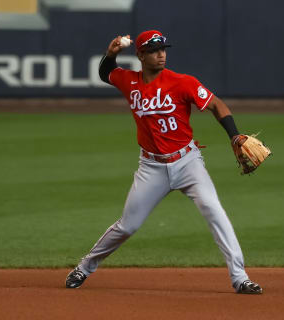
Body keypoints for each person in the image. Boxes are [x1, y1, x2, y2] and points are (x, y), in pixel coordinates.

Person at [65, 30, 262, 294]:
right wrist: (111, 53)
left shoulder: (183, 82)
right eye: (154, 50)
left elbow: (216, 104)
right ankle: (84, 267)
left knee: (214, 211)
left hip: (188, 162)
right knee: (128, 226)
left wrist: (234, 134)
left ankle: (240, 278)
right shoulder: (128, 81)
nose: (161, 54)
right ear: (141, 55)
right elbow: (105, 73)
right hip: (151, 168)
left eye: (163, 49)